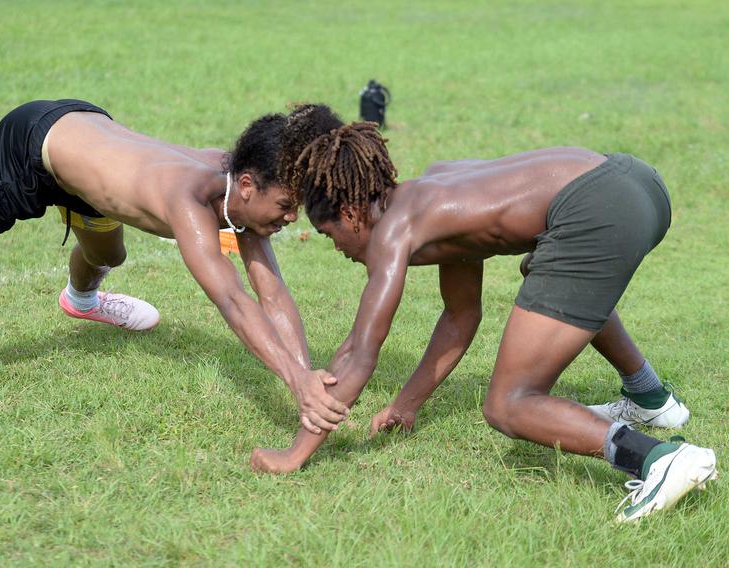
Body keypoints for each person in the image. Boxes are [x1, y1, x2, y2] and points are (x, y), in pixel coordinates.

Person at [249, 106, 717, 522]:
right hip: (633, 179)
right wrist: (406, 403)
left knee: (509, 403)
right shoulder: (435, 191)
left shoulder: (394, 229)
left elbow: (360, 352)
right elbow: (460, 316)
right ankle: (651, 399)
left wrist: (295, 453)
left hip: (600, 209)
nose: (340, 251)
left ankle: (659, 459)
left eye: (332, 237)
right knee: (554, 280)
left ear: (351, 213)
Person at [0, 99, 351, 434]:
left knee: (108, 255)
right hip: (23, 152)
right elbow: (233, 299)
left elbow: (272, 292)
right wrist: (296, 381)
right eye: (286, 207)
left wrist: (304, 380)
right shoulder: (190, 200)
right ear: (251, 185)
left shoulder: (240, 194)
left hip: (83, 153)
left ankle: (82, 301)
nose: (289, 218)